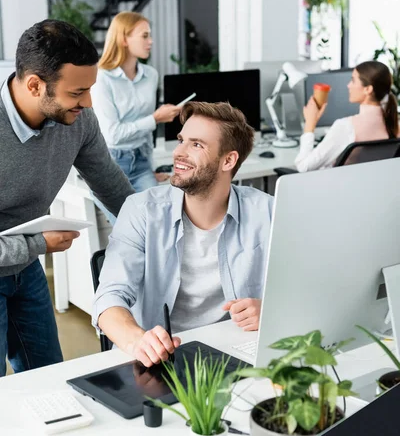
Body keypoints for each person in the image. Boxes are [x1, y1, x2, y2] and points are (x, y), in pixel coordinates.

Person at [92, 102, 274, 367]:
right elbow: (109, 297)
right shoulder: (142, 210)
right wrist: (137, 340)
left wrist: (270, 310)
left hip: (240, 351)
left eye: (196, 144)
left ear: (229, 160)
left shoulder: (266, 211)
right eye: (181, 141)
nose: (179, 152)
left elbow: (307, 285)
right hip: (163, 356)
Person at [0, 19, 134, 377]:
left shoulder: (80, 120)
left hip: (25, 271)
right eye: (77, 93)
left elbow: (110, 184)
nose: (88, 103)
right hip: (22, 255)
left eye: (89, 90)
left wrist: (158, 232)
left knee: (48, 376)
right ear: (35, 85)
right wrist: (36, 245)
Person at [90, 12, 181, 219]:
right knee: (129, 230)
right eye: (144, 36)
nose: (151, 41)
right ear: (123, 39)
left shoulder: (151, 75)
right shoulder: (102, 78)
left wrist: (149, 170)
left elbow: (145, 134)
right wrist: (155, 119)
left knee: (159, 222)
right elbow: (113, 135)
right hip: (111, 165)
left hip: (141, 162)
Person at [295, 61, 398, 172]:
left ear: (368, 89)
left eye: (353, 80)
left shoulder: (346, 126)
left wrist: (310, 125)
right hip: (372, 187)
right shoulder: (394, 125)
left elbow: (303, 167)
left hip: (338, 188)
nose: (348, 85)